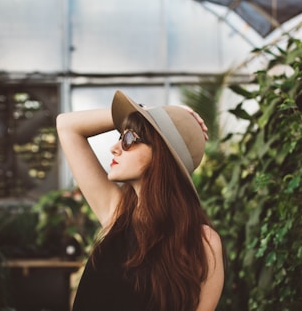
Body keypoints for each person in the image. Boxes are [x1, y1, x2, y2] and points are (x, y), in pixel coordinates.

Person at [56, 90, 224, 311]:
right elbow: (66, 125)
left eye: (128, 139)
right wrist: (146, 113)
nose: (114, 148)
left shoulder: (203, 242)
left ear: (161, 155)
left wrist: (149, 119)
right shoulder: (117, 215)